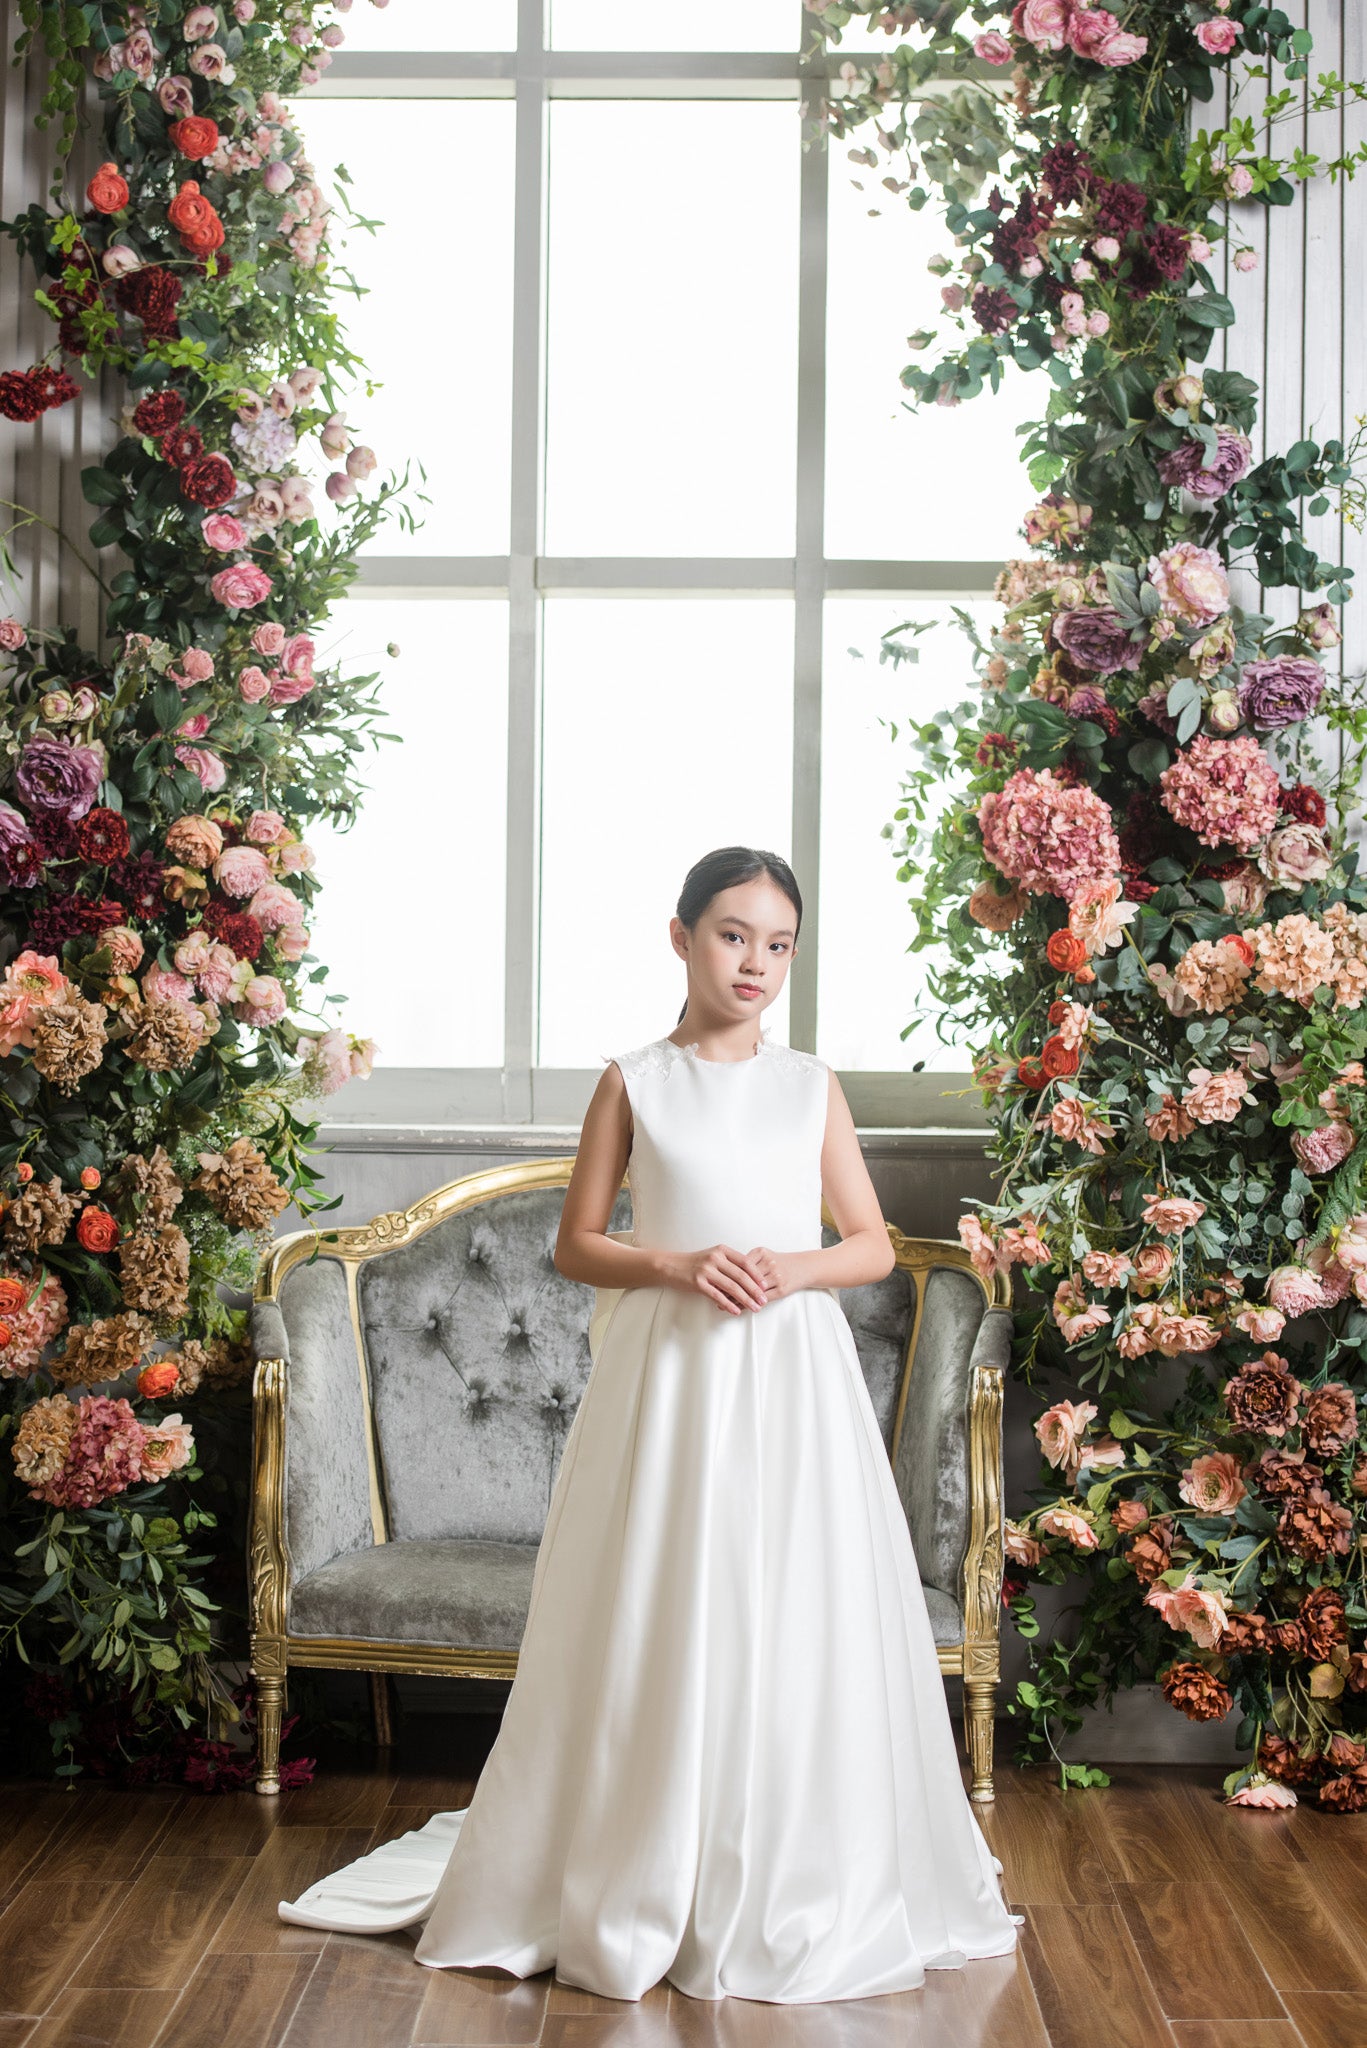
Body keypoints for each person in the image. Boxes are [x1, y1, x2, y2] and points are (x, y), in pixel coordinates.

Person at [278, 844, 1020, 2002]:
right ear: (679, 936)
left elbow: (871, 1244)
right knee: (667, 1593)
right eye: (733, 935)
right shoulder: (633, 1079)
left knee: (786, 1600)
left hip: (789, 1375)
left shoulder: (808, 1084)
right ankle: (642, 1847)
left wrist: (789, 1265)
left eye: (778, 944)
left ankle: (780, 1858)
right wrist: (676, 1262)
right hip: (670, 1375)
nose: (756, 963)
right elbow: (578, 1243)